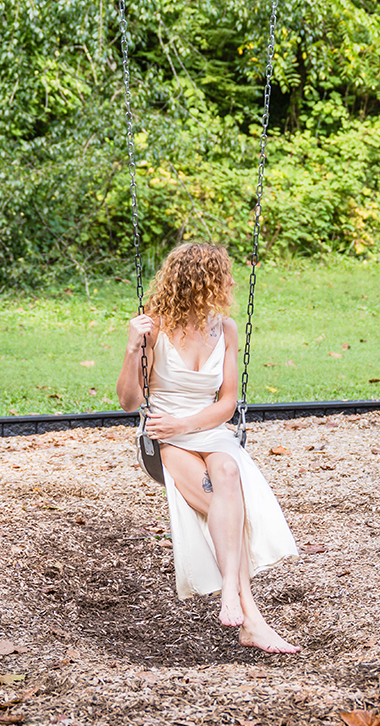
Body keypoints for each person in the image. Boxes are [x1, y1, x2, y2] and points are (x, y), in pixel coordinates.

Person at [115, 242, 300, 654]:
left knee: (229, 477)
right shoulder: (155, 328)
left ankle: (238, 602)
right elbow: (129, 401)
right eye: (223, 276)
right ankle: (247, 610)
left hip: (206, 430)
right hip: (163, 437)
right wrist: (132, 348)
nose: (231, 283)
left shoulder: (226, 329)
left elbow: (227, 404)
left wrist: (188, 422)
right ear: (202, 282)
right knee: (227, 505)